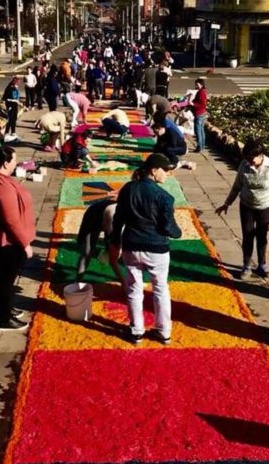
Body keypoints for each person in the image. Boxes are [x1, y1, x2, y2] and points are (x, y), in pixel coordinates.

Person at [110, 153, 182, 344]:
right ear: (154, 170)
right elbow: (169, 228)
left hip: (131, 247)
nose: (167, 174)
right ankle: (164, 331)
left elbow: (118, 220)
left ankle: (136, 330)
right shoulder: (164, 197)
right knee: (160, 289)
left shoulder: (128, 189)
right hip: (157, 249)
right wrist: (177, 233)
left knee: (134, 288)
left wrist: (115, 243)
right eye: (165, 170)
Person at [0, 146, 35, 331]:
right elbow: (11, 220)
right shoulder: (0, 184)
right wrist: (25, 244)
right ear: (5, 162)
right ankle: (4, 319)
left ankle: (7, 309)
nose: (15, 163)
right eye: (14, 160)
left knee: (5, 277)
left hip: (7, 238)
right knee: (5, 278)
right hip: (8, 240)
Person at [216, 139, 269, 278]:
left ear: (260, 154)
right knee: (248, 235)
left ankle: (262, 263)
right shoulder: (244, 165)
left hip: (266, 206)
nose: (249, 161)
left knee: (262, 235)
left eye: (252, 158)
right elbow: (237, 185)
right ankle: (246, 265)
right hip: (247, 205)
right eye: (247, 158)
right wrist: (227, 203)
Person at [76, 198, 127, 287]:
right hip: (94, 216)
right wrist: (123, 282)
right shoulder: (115, 230)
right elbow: (112, 261)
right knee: (87, 252)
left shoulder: (133, 224)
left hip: (109, 215)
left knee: (124, 255)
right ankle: (77, 283)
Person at [1, 76, 21, 143]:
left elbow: (17, 97)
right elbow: (5, 98)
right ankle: (6, 133)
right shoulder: (9, 88)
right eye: (16, 83)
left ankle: (13, 132)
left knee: (14, 119)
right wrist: (14, 100)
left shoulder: (16, 89)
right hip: (10, 105)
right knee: (10, 119)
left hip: (15, 106)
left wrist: (18, 102)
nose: (17, 85)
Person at [191, 78, 208, 152]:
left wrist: (193, 104)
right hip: (202, 113)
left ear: (201, 84)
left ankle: (199, 147)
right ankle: (202, 146)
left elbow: (202, 104)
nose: (196, 86)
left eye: (197, 84)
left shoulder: (201, 92)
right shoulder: (202, 91)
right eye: (195, 84)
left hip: (199, 113)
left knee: (198, 131)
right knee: (201, 130)